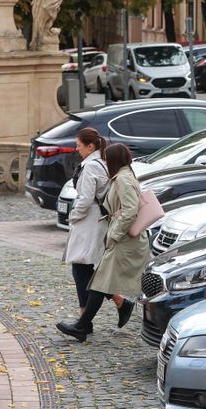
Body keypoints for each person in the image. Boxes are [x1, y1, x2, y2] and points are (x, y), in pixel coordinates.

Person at [56, 143, 146, 341]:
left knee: (100, 282)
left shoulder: (123, 178)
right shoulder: (124, 175)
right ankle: (88, 323)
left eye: (108, 160)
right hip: (121, 239)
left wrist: (114, 233)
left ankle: (83, 325)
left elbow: (130, 210)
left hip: (123, 240)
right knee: (101, 281)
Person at [63, 127, 127, 327]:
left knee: (83, 268)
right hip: (93, 222)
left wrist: (74, 216)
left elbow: (85, 199)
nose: (76, 148)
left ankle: (86, 320)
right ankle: (111, 306)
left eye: (79, 145)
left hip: (90, 222)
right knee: (85, 268)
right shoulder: (98, 163)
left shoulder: (91, 166)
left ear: (90, 146)